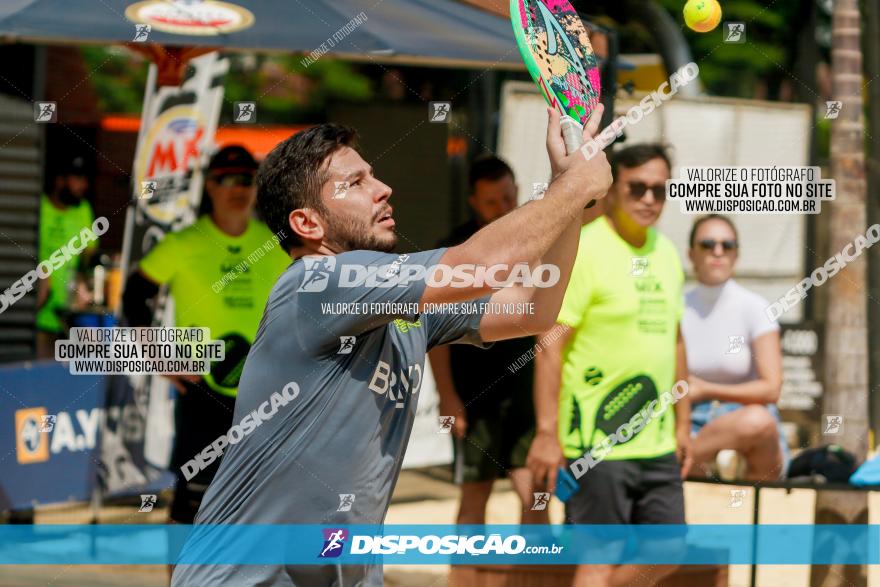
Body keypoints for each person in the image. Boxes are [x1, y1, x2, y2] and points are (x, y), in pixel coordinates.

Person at [171, 107, 612, 586]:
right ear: (308, 223)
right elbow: (483, 263)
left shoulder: (394, 302)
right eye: (356, 183)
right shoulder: (317, 282)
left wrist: (572, 200)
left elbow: (532, 309)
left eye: (373, 175)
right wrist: (571, 188)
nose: (383, 188)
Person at [526, 143, 691, 587]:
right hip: (594, 442)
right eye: (638, 187)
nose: (649, 199)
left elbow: (675, 339)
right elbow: (549, 343)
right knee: (599, 558)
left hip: (655, 443)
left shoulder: (668, 252)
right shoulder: (586, 248)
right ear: (614, 189)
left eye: (659, 189)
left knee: (668, 550)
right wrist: (546, 432)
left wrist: (682, 423)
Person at [122, 145, 291, 526]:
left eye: (247, 179)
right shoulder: (184, 243)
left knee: (260, 510)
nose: (238, 188)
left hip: (267, 392)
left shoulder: (278, 244)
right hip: (203, 392)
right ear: (210, 186)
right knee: (191, 509)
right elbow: (135, 295)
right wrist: (157, 356)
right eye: (226, 179)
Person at [428, 155, 544, 525]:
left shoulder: (537, 243)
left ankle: (533, 577)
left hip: (528, 389)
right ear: (474, 202)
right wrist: (447, 396)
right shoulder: (454, 252)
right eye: (492, 201)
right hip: (474, 394)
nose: (502, 208)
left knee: (536, 494)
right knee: (475, 494)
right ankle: (466, 578)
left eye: (508, 198)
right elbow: (437, 334)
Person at [682, 214, 787, 480]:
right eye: (707, 244)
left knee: (758, 422)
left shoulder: (755, 307)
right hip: (688, 419)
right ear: (691, 254)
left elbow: (771, 388)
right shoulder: (675, 304)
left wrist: (705, 389)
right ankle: (716, 460)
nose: (718, 252)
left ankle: (688, 459)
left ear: (736, 255)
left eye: (727, 245)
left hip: (740, 419)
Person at [36, 156, 97, 357]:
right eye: (78, 178)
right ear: (59, 180)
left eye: (85, 179)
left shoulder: (83, 210)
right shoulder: (38, 207)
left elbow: (89, 253)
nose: (84, 185)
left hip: (71, 317)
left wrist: (84, 279)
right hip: (38, 315)